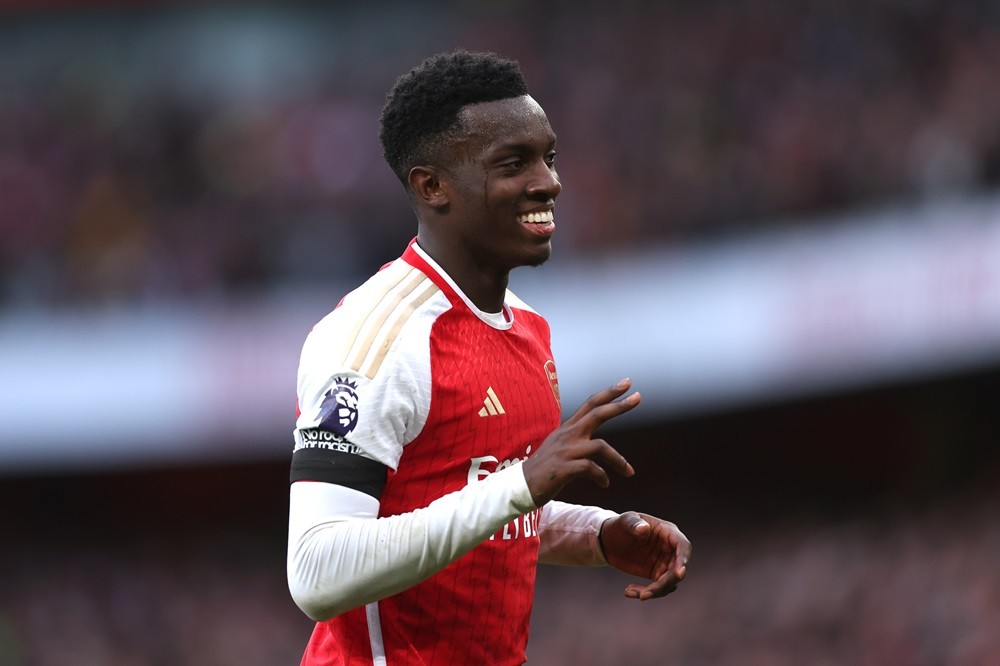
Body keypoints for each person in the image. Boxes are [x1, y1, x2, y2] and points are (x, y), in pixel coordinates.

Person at [286, 50, 691, 665]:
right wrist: (521, 484)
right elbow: (316, 572)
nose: (549, 182)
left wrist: (597, 534)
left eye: (548, 157)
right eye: (513, 164)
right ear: (432, 186)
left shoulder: (526, 328)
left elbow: (484, 501)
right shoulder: (373, 341)